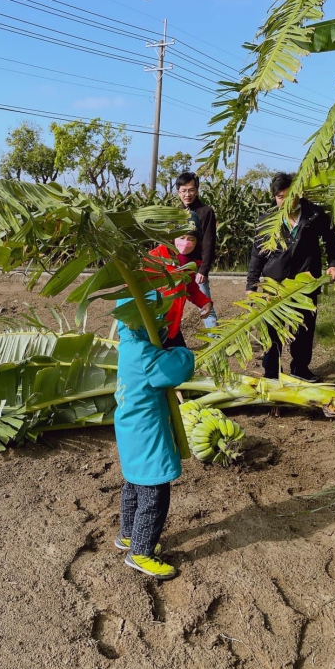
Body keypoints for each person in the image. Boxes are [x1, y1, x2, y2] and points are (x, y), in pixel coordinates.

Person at [114, 310, 194, 581]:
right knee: (154, 496)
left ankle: (127, 535)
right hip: (147, 436)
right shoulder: (146, 356)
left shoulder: (128, 343)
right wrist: (181, 349)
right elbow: (178, 369)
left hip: (129, 431)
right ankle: (140, 553)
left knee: (133, 486)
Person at [246, 171, 335, 382]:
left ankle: (300, 368)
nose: (285, 201)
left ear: (298, 194)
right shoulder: (267, 220)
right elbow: (257, 254)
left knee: (303, 328)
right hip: (274, 283)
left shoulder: (314, 215)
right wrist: (251, 284)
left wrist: (333, 264)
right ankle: (271, 371)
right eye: (280, 197)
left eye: (289, 196)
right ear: (274, 197)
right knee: (272, 329)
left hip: (305, 283)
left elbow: (332, 240)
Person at [149, 227, 213, 349]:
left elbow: (190, 287)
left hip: (172, 326)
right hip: (152, 327)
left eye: (191, 239)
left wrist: (204, 302)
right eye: (182, 237)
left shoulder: (187, 263)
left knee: (181, 361)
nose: (185, 242)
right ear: (173, 239)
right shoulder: (154, 258)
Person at [175, 172, 218, 329]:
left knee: (206, 305)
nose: (187, 194)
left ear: (197, 190)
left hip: (197, 266)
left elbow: (209, 242)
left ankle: (216, 344)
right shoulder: (176, 213)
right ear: (178, 192)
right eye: (183, 190)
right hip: (177, 266)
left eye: (191, 190)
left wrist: (203, 269)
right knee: (171, 305)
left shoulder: (206, 212)